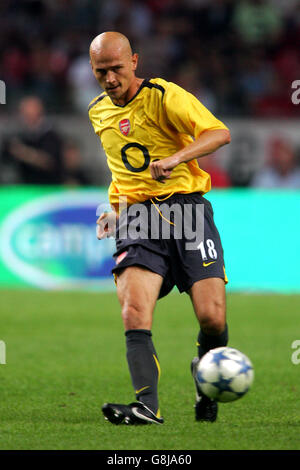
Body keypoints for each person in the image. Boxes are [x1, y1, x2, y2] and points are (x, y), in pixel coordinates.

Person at [88, 31, 231, 425]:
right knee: (133, 310)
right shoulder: (97, 112)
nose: (111, 79)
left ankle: (206, 381)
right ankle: (146, 406)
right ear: (92, 70)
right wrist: (116, 211)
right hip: (138, 217)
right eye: (102, 72)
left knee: (213, 319)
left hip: (188, 212)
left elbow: (219, 132)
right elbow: (121, 170)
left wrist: (176, 158)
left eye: (117, 69)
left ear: (134, 61)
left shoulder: (164, 95)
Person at [2, 96, 63, 184]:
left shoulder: (51, 135)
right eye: (24, 112)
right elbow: (6, 159)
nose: (26, 115)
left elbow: (50, 162)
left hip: (48, 187)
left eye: (30, 111)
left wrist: (24, 153)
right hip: (23, 186)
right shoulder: (16, 135)